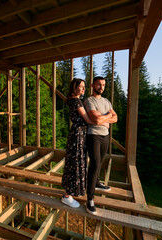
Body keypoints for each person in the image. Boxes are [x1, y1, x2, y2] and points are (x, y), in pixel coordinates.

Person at [61, 78, 108, 208]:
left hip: (78, 134)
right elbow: (87, 119)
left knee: (75, 162)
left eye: (84, 87)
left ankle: (69, 193)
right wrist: (103, 122)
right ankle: (66, 196)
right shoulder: (76, 101)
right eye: (80, 87)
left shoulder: (74, 100)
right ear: (74, 88)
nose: (83, 89)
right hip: (78, 135)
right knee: (75, 163)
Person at [84, 76, 118, 215]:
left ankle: (97, 182)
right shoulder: (89, 101)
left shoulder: (106, 101)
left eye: (103, 85)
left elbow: (115, 118)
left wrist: (103, 119)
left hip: (105, 136)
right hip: (93, 135)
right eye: (98, 84)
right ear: (93, 85)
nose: (101, 87)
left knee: (100, 162)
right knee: (95, 164)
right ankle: (90, 199)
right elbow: (96, 120)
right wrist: (106, 117)